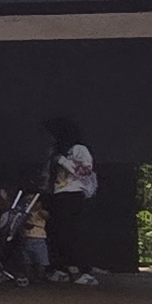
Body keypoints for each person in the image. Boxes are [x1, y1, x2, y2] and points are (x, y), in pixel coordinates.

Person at [37, 118, 99, 286]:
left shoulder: (79, 149)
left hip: (74, 195)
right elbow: (47, 174)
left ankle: (83, 270)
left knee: (74, 233)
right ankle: (60, 268)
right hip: (56, 195)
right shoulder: (53, 151)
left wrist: (63, 161)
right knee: (58, 233)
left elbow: (85, 171)